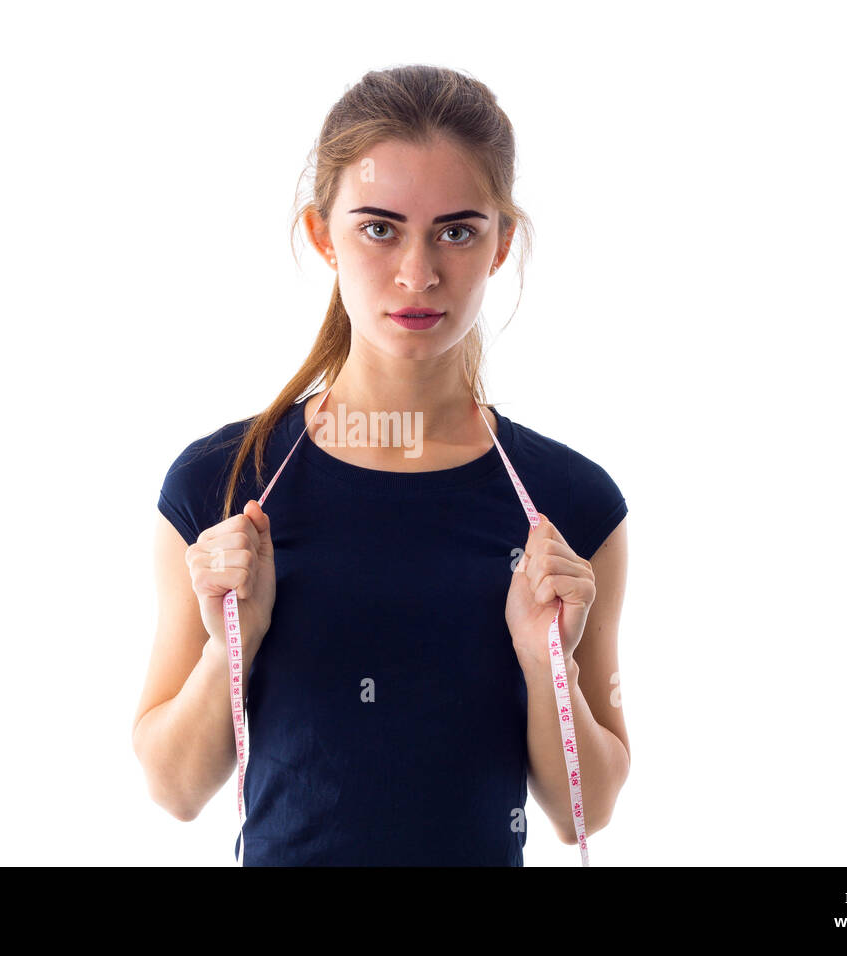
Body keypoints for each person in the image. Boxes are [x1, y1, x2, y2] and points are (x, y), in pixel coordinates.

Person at [132, 65, 631, 866]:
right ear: (322, 234)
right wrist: (234, 645)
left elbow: (586, 812)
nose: (418, 273)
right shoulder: (219, 483)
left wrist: (549, 667)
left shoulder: (570, 502)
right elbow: (175, 788)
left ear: (501, 242)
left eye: (458, 231)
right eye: (379, 228)